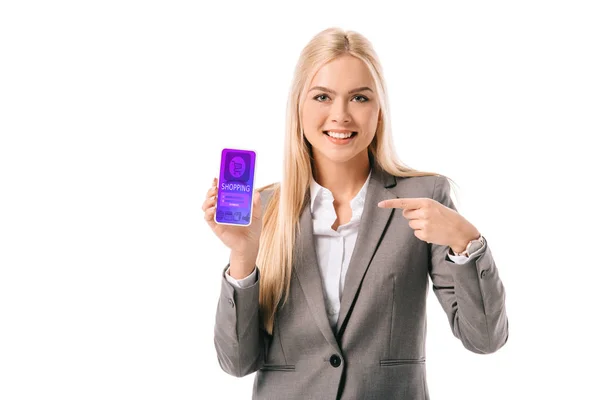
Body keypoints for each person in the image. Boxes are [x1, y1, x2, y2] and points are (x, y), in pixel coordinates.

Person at [202, 27, 508, 400]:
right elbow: (236, 363)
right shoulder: (261, 209)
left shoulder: (425, 197)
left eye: (359, 98)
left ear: (379, 111)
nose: (340, 115)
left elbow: (485, 338)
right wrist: (242, 258)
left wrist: (467, 242)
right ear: (299, 108)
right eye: (322, 97)